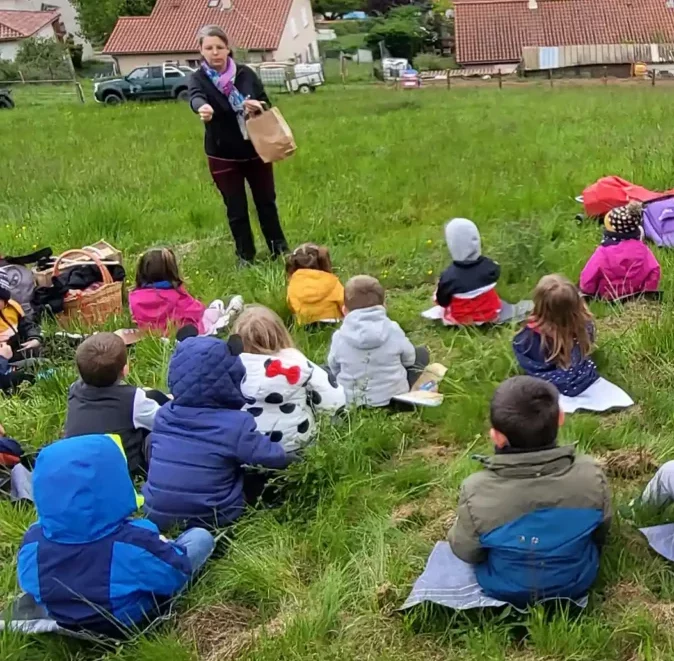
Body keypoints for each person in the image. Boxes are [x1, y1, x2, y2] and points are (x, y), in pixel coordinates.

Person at [17, 434, 214, 637]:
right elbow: (174, 574)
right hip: (124, 619)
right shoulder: (134, 542)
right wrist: (161, 546)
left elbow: (31, 586)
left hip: (62, 616)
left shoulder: (33, 540)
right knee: (200, 537)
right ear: (115, 482)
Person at [448, 376, 612, 607]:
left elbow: (466, 551)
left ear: (497, 436)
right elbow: (602, 532)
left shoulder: (475, 489)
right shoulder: (592, 474)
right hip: (578, 580)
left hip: (502, 586)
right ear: (561, 418)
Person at [142, 335, 295, 531]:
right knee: (257, 475)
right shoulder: (236, 425)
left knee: (156, 443)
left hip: (155, 515)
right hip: (213, 519)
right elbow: (272, 457)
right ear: (232, 377)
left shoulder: (163, 415)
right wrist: (298, 459)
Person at [188, 25, 288, 265]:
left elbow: (265, 100)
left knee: (266, 202)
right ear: (200, 51)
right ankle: (245, 256)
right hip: (223, 155)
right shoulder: (198, 78)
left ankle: (279, 250)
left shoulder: (245, 74)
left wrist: (258, 105)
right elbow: (195, 96)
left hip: (256, 150)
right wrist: (202, 108)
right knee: (236, 208)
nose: (215, 53)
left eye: (219, 47)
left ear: (228, 49)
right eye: (209, 48)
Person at [233, 305, 346, 452]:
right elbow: (334, 399)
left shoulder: (229, 368)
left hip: (249, 450)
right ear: (281, 334)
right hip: (297, 446)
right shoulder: (296, 363)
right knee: (320, 376)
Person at [64, 333, 169, 477]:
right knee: (154, 432)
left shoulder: (74, 390)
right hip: (121, 472)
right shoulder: (133, 399)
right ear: (125, 369)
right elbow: (165, 423)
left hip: (79, 468)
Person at [327, 275, 429, 407]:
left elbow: (334, 368)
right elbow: (409, 360)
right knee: (421, 353)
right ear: (384, 306)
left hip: (354, 401)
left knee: (325, 369)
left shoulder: (339, 337)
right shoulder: (393, 329)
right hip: (395, 398)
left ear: (344, 310)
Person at [513, 274, 598, 397]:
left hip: (550, 383)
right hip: (584, 376)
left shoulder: (529, 337)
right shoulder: (585, 324)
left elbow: (525, 358)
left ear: (539, 304)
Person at [129, 247, 243, 335]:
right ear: (171, 271)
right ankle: (225, 318)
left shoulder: (134, 298)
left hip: (153, 336)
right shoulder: (176, 296)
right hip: (186, 334)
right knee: (215, 310)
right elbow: (198, 311)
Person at [580, 201, 661, 301]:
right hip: (634, 296)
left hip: (607, 298)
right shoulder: (644, 251)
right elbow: (654, 271)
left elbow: (588, 277)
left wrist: (588, 293)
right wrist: (647, 291)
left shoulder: (603, 252)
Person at [436, 218, 502, 325]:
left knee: (439, 295)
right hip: (491, 312)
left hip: (463, 318)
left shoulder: (449, 276)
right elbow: (496, 273)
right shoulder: (490, 266)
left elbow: (443, 301)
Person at [286, 243, 344, 326]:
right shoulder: (331, 280)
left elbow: (291, 304)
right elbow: (343, 301)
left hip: (306, 324)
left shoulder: (293, 283)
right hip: (334, 321)